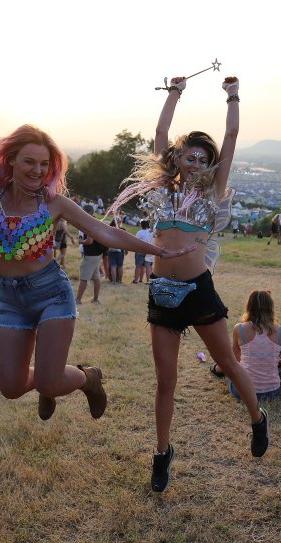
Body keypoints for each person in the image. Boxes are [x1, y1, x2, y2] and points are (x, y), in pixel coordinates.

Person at [0, 47, 190, 423]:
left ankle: (87, 378)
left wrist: (158, 250)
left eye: (44, 164)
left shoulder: (54, 203)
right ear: (11, 159)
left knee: (48, 381)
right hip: (10, 298)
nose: (37, 170)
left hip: (50, 293)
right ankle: (51, 384)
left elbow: (103, 232)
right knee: (11, 387)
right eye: (29, 161)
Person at [109, 74, 268, 493]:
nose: (195, 163)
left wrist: (232, 95)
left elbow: (232, 135)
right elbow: (161, 132)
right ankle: (162, 453)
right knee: (166, 381)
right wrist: (175, 91)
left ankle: (257, 419)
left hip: (198, 289)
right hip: (162, 291)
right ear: (177, 159)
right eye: (188, 157)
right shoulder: (164, 190)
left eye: (202, 158)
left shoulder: (214, 192)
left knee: (230, 364)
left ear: (209, 163)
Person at [230, 290, 281, 401]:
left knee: (231, 376)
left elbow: (235, 361)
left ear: (249, 307)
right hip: (272, 393)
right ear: (271, 308)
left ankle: (215, 369)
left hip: (244, 392)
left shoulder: (239, 329)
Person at [76, 205, 107, 303]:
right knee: (96, 277)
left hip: (90, 254)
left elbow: (89, 241)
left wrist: (80, 241)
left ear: (88, 212)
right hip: (97, 254)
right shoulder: (96, 221)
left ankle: (78, 300)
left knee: (84, 278)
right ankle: (95, 299)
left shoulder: (89, 223)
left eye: (83, 211)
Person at [132, 220, 153, 284]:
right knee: (147, 266)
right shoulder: (151, 232)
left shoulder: (139, 232)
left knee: (138, 266)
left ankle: (136, 280)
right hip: (149, 250)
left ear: (141, 225)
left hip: (140, 250)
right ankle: (147, 280)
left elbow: (135, 241)